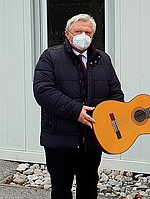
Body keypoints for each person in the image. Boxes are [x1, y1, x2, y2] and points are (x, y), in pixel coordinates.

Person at [33, 14, 124, 199]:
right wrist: (76, 111)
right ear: (68, 34)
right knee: (61, 189)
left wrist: (113, 119)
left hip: (92, 140)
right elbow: (43, 91)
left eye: (88, 32)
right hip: (59, 139)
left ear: (93, 35)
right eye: (78, 31)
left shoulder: (103, 60)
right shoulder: (50, 57)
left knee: (89, 187)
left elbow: (116, 95)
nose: (83, 35)